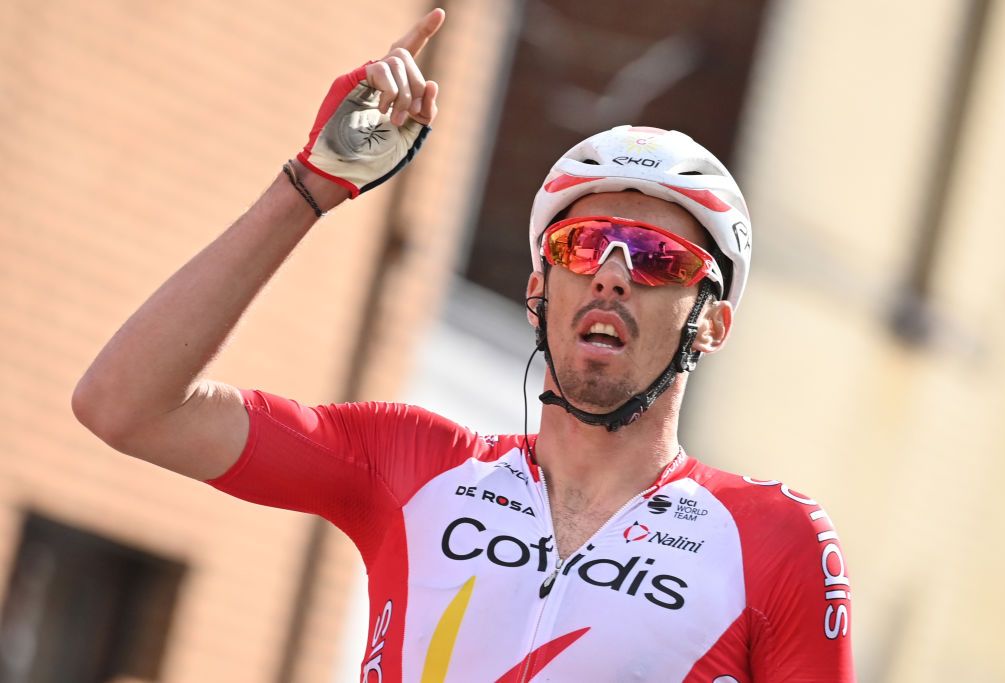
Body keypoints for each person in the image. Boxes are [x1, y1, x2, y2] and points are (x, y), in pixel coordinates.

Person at [72, 9, 854, 682]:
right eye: (582, 247)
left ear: (711, 323)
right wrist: (309, 186)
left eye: (654, 258)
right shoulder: (416, 463)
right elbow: (125, 405)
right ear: (538, 291)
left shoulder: (771, 540)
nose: (612, 277)